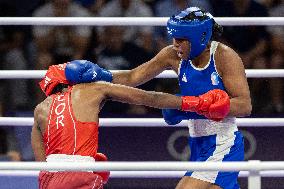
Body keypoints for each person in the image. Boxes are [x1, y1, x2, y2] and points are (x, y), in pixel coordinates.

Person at [65, 7, 252, 189]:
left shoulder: (224, 57)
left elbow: (244, 106)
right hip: (197, 141)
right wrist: (102, 75)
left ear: (199, 38)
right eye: (174, 38)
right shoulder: (172, 54)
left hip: (223, 142)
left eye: (181, 39)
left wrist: (196, 105)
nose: (175, 43)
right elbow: (133, 77)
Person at [32, 61, 230, 189]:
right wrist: (195, 103)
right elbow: (148, 97)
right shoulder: (92, 89)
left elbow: (43, 164)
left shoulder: (40, 109)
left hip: (49, 180)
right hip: (80, 174)